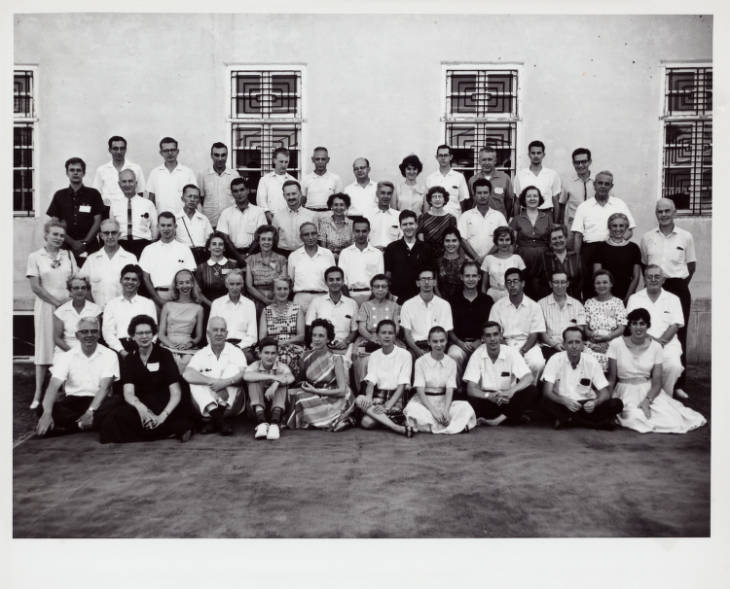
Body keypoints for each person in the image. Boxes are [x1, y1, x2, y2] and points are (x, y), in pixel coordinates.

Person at [98, 314, 195, 443]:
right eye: (140, 333)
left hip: (165, 402)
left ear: (153, 334)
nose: (144, 336)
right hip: (142, 402)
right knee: (112, 422)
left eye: (148, 332)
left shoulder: (164, 354)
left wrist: (162, 416)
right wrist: (142, 410)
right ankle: (168, 431)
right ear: (133, 336)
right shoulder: (130, 360)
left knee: (180, 416)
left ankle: (164, 426)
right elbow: (128, 393)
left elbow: (176, 392)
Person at [607, 308, 705, 434]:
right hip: (625, 391)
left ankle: (649, 409)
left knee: (672, 420)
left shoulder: (656, 347)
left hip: (648, 390)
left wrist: (647, 401)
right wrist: (606, 401)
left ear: (648, 326)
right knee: (634, 418)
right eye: (634, 323)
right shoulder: (616, 344)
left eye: (642, 323)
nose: (638, 327)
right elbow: (611, 378)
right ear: (629, 326)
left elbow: (657, 383)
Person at [639, 198, 696, 399]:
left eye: (667, 211)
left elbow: (691, 266)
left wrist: (677, 287)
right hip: (653, 286)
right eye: (660, 211)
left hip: (677, 287)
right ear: (656, 214)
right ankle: (648, 379)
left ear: (674, 213)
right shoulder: (647, 238)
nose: (663, 215)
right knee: (652, 329)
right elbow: (645, 265)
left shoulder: (686, 237)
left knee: (678, 334)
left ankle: (678, 382)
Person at [35, 317, 118, 437]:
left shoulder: (110, 355)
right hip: (73, 403)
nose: (89, 335)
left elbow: (104, 388)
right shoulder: (66, 357)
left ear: (99, 334)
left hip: (99, 402)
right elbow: (53, 387)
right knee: (42, 409)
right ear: (77, 335)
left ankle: (71, 426)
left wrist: (90, 411)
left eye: (93, 331)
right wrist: (47, 414)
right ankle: (84, 425)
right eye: (84, 332)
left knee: (117, 403)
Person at [26, 218, 78, 409]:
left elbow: (75, 279)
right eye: (55, 234)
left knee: (66, 345)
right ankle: (38, 394)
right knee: (44, 347)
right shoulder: (35, 257)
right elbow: (36, 287)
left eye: (62, 235)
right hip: (46, 307)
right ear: (46, 235)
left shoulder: (68, 255)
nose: (58, 238)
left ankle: (66, 390)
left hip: (67, 307)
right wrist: (56, 303)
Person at [541, 326, 624, 429]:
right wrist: (564, 401)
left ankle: (571, 420)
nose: (574, 346)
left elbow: (605, 393)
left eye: (577, 342)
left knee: (616, 404)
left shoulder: (591, 361)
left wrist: (595, 402)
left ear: (583, 345)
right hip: (564, 404)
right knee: (545, 402)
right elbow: (547, 392)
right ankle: (593, 424)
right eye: (570, 342)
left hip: (585, 405)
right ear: (564, 344)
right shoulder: (555, 359)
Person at [571, 171, 636, 300]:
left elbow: (630, 230)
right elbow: (578, 236)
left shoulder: (619, 204)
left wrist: (617, 243)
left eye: (607, 184)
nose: (603, 186)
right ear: (594, 185)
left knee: (615, 288)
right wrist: (577, 261)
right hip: (590, 251)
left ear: (611, 186)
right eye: (600, 183)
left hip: (613, 250)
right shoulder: (584, 207)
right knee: (591, 290)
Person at [463, 321, 539, 426]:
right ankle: (511, 417)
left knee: (532, 390)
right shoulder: (477, 355)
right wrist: (488, 395)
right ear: (483, 338)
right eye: (488, 335)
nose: (492, 339)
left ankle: (497, 421)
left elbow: (528, 377)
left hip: (508, 399)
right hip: (487, 399)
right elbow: (471, 389)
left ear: (501, 336)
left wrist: (511, 391)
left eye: (495, 334)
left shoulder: (511, 352)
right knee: (470, 401)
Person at [626, 265, 686, 398]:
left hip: (668, 344)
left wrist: (661, 343)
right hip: (641, 343)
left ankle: (666, 397)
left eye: (657, 276)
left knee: (673, 366)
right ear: (644, 280)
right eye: (649, 277)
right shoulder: (634, 298)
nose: (653, 279)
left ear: (663, 279)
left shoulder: (673, 299)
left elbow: (676, 324)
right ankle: (645, 396)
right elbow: (632, 325)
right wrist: (653, 342)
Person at [404, 326, 476, 434]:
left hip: (444, 402)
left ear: (446, 341)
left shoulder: (451, 363)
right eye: (435, 341)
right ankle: (453, 427)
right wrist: (433, 412)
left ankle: (434, 425)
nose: (439, 344)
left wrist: (446, 411)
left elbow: (450, 389)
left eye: (442, 341)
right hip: (425, 403)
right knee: (412, 410)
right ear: (429, 342)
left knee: (465, 407)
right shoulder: (420, 362)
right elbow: (420, 390)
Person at [286, 318, 355, 431]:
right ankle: (334, 420)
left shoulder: (336, 358)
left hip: (334, 396)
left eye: (321, 336)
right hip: (315, 394)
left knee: (300, 399)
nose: (317, 339)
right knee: (292, 395)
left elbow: (342, 390)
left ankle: (334, 419)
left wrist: (315, 391)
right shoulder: (305, 356)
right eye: (314, 335)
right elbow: (300, 381)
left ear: (328, 338)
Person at [184, 316, 248, 436]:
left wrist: (225, 383)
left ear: (226, 333)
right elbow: (187, 374)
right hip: (207, 406)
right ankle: (219, 420)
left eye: (222, 330)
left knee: (233, 369)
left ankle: (216, 419)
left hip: (231, 405)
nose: (219, 333)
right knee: (194, 380)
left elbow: (244, 375)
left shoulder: (235, 351)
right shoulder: (201, 353)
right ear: (208, 333)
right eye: (215, 330)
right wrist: (214, 382)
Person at [356, 320, 414, 437]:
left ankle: (387, 420)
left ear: (395, 335)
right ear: (378, 336)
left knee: (368, 421)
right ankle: (396, 427)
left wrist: (387, 407)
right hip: (378, 397)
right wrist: (368, 397)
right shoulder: (374, 355)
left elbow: (402, 385)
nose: (387, 336)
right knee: (360, 401)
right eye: (383, 333)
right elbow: (371, 381)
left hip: (395, 398)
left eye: (390, 333)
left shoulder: (405, 355)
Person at [488, 267, 546, 384]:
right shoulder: (497, 306)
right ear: (505, 285)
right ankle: (508, 391)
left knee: (537, 363)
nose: (512, 285)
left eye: (515, 281)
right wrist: (510, 351)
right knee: (503, 364)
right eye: (509, 282)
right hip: (505, 344)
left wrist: (523, 351)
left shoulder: (534, 306)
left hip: (528, 345)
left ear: (523, 283)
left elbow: (534, 334)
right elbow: (495, 333)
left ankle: (530, 389)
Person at [46, 157, 104, 265]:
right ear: (67, 173)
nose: (75, 173)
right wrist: (72, 242)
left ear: (84, 173)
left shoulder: (93, 194)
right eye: (72, 170)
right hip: (64, 246)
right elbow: (55, 223)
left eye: (79, 170)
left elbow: (98, 221)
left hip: (90, 246)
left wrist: (85, 242)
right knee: (66, 276)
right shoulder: (59, 195)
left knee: (91, 278)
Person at [447, 260, 494, 381]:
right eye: (467, 276)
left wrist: (480, 340)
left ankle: (481, 391)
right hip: (458, 343)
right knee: (454, 355)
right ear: (461, 277)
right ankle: (456, 391)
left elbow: (491, 325)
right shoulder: (452, 300)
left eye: (474, 276)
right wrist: (459, 343)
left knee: (487, 355)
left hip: (482, 342)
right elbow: (448, 327)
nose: (470, 279)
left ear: (479, 277)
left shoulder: (487, 300)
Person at [352, 274, 402, 386]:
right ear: (372, 288)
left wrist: (386, 338)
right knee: (363, 360)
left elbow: (396, 327)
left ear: (388, 288)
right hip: (368, 338)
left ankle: (389, 390)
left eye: (384, 286)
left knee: (396, 358)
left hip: (390, 339)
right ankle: (363, 391)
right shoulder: (365, 305)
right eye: (377, 286)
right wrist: (372, 338)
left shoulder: (394, 306)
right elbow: (361, 327)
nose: (380, 289)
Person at [139, 212, 196, 308]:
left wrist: (182, 298)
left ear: (175, 226)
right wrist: (157, 299)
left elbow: (191, 276)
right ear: (158, 226)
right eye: (163, 225)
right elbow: (145, 278)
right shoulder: (149, 249)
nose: (166, 229)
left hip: (180, 297)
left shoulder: (184, 249)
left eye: (169, 225)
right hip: (157, 296)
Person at [78, 218, 137, 310]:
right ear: (101, 235)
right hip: (97, 312)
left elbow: (135, 287)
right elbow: (82, 285)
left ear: (119, 235)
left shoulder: (130, 258)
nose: (110, 236)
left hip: (123, 311)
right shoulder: (92, 260)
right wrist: (93, 308)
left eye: (113, 232)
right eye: (106, 233)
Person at [244, 337, 295, 441]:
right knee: (254, 381)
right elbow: (246, 376)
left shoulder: (282, 367)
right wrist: (273, 377)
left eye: (273, 353)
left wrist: (276, 383)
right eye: (266, 353)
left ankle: (274, 424)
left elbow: (291, 378)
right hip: (256, 410)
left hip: (278, 409)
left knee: (282, 382)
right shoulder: (255, 365)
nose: (269, 356)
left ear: (277, 355)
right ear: (260, 354)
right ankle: (261, 423)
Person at [306, 266, 358, 367]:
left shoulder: (352, 304)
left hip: (344, 348)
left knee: (344, 367)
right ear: (326, 282)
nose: (335, 282)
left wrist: (346, 341)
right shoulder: (316, 302)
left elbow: (354, 330)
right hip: (321, 347)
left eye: (338, 279)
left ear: (343, 281)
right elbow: (309, 327)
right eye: (331, 280)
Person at [102, 264, 157, 358]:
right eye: (127, 278)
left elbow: (153, 331)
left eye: (134, 280)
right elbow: (108, 333)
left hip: (143, 348)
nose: (130, 282)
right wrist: (121, 351)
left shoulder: (148, 304)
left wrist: (144, 350)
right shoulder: (111, 304)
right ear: (121, 280)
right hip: (118, 349)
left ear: (139, 283)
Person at [400, 267, 454, 358]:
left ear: (434, 282)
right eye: (423, 279)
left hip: (438, 345)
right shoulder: (408, 305)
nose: (426, 282)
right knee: (407, 356)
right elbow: (407, 334)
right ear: (418, 283)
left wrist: (436, 351)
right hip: (416, 347)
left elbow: (445, 333)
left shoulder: (444, 305)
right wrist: (418, 351)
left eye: (429, 279)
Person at [158, 269, 205, 371]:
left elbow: (199, 336)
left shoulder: (199, 308)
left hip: (188, 348)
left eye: (188, 282)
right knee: (170, 359)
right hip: (168, 346)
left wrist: (189, 344)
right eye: (181, 283)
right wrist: (172, 346)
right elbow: (161, 334)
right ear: (176, 286)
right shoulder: (167, 306)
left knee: (187, 361)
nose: (185, 286)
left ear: (192, 284)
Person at [510, 186, 551, 300]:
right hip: (523, 258)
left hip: (543, 259)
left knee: (542, 290)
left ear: (539, 199)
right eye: (529, 196)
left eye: (535, 196)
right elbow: (512, 244)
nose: (532, 199)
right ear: (524, 199)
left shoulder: (547, 218)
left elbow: (552, 241)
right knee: (525, 289)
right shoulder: (517, 219)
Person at [259, 277, 305, 379]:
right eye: (279, 289)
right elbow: (262, 338)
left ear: (289, 290)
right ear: (274, 290)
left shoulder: (297, 309)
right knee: (271, 356)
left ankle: (282, 385)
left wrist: (283, 343)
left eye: (285, 289)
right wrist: (274, 345)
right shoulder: (266, 311)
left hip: (293, 346)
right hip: (270, 346)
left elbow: (301, 336)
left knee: (285, 357)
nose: (282, 292)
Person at [384, 210, 434, 304]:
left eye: (411, 223)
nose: (408, 227)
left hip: (420, 299)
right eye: (405, 224)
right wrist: (390, 295)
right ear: (401, 226)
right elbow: (388, 275)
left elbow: (430, 275)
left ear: (416, 225)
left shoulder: (426, 248)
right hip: (397, 299)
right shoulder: (392, 248)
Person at [591, 213, 641, 304]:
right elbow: (597, 275)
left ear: (626, 227)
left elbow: (636, 277)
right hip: (605, 296)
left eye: (621, 226)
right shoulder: (600, 247)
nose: (618, 229)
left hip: (626, 296)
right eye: (614, 226)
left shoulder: (634, 248)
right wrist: (607, 298)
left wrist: (627, 299)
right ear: (609, 227)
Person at [208, 269, 257, 361]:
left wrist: (238, 347)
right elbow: (210, 331)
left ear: (242, 285)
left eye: (238, 284)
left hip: (243, 346)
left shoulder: (249, 304)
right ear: (226, 285)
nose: (235, 287)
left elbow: (252, 335)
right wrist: (220, 346)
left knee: (246, 357)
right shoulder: (217, 303)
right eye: (231, 284)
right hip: (220, 344)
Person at [583, 269, 627, 371]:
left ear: (611, 284)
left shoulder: (618, 302)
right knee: (588, 360)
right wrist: (594, 339)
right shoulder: (589, 303)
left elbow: (622, 328)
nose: (601, 285)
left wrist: (607, 338)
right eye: (598, 283)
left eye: (605, 282)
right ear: (594, 285)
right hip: (593, 342)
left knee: (614, 356)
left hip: (613, 342)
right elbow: (586, 329)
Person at [216, 177, 268, 263]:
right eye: (235, 191)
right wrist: (238, 257)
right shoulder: (226, 213)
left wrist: (248, 255)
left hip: (254, 256)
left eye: (242, 190)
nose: (239, 193)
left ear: (247, 190)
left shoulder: (258, 212)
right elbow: (225, 239)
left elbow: (260, 237)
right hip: (231, 257)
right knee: (231, 276)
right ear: (232, 193)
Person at [457, 177, 508, 264]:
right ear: (474, 195)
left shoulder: (499, 216)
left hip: (494, 261)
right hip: (471, 262)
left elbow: (503, 239)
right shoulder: (465, 216)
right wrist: (476, 258)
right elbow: (462, 239)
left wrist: (486, 258)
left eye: (485, 193)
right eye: (479, 193)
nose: (482, 196)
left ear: (490, 194)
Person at [287, 222, 335, 312]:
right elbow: (290, 282)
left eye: (313, 233)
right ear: (301, 237)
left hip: (323, 298)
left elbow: (333, 278)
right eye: (306, 235)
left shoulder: (327, 254)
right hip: (300, 299)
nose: (310, 237)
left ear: (318, 235)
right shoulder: (294, 256)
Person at [110, 169, 158, 259]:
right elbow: (113, 228)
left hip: (143, 244)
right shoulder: (114, 205)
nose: (127, 184)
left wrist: (152, 245)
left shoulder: (148, 204)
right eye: (124, 181)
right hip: (121, 245)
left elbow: (154, 227)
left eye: (130, 181)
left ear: (136, 183)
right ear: (119, 184)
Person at [538, 271, 586, 361]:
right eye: (556, 282)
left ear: (567, 284)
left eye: (563, 282)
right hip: (550, 346)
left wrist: (569, 344)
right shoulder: (540, 304)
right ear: (550, 284)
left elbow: (580, 329)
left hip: (573, 345)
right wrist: (555, 344)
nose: (559, 286)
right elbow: (542, 333)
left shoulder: (577, 305)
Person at [53, 275, 102, 361]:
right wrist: (73, 353)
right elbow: (57, 339)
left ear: (87, 290)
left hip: (89, 350)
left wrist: (84, 353)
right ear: (70, 291)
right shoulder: (61, 311)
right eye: (76, 288)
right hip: (66, 351)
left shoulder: (95, 309)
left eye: (83, 288)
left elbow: (97, 335)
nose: (80, 291)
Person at [92, 135, 146, 212]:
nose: (119, 152)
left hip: (130, 209)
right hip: (107, 209)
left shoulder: (136, 168)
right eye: (115, 148)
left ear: (126, 150)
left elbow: (141, 192)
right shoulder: (101, 170)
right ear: (110, 150)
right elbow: (96, 193)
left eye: (122, 148)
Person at [337, 216, 384, 305]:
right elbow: (342, 280)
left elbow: (380, 279)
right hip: (350, 295)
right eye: (357, 231)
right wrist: (349, 301)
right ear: (353, 231)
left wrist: (372, 301)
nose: (361, 234)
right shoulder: (345, 253)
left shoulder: (377, 254)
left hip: (372, 296)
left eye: (364, 231)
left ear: (369, 231)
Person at [146, 137, 198, 215]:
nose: (170, 153)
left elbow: (194, 198)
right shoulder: (155, 173)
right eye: (166, 151)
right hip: (162, 221)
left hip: (183, 220)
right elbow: (151, 200)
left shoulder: (188, 172)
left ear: (177, 151)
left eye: (172, 150)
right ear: (161, 153)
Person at [244, 225, 288, 317]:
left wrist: (275, 300)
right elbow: (249, 286)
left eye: (269, 239)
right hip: (255, 301)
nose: (266, 242)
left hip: (277, 300)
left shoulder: (281, 259)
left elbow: (284, 283)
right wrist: (265, 300)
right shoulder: (251, 259)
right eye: (263, 239)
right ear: (258, 241)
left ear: (273, 241)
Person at [513, 140, 561, 220]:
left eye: (539, 153)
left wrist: (555, 224)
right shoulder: (520, 175)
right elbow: (517, 203)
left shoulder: (552, 174)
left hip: (546, 214)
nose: (536, 156)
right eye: (533, 153)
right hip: (526, 214)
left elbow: (556, 201)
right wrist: (516, 222)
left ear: (543, 155)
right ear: (529, 155)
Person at [198, 142, 240, 228]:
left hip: (230, 223)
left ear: (227, 156)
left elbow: (238, 198)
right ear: (211, 156)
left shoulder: (234, 175)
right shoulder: (203, 175)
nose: (220, 158)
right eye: (216, 155)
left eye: (223, 155)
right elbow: (200, 199)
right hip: (209, 223)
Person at [467, 146, 515, 220]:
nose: (487, 163)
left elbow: (509, 202)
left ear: (495, 161)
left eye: (490, 160)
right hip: (477, 222)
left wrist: (504, 218)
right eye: (484, 160)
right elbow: (469, 204)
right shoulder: (472, 180)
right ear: (479, 161)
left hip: (498, 223)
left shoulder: (505, 178)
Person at [271, 180, 317, 255]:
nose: (291, 197)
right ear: (284, 196)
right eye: (288, 194)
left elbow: (316, 239)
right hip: (282, 255)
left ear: (300, 194)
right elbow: (273, 239)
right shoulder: (277, 216)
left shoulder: (312, 216)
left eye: (294, 194)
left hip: (304, 254)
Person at [480, 226, 525, 301]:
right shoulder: (488, 259)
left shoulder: (517, 259)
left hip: (512, 295)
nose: (504, 243)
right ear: (496, 241)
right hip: (492, 295)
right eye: (501, 240)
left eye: (507, 240)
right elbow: (484, 285)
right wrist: (484, 301)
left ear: (511, 241)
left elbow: (522, 284)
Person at [195, 231, 239, 307]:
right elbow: (198, 292)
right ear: (209, 247)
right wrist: (212, 305)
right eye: (214, 244)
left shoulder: (232, 266)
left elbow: (238, 289)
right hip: (208, 307)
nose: (217, 247)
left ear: (224, 248)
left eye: (220, 244)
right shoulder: (201, 268)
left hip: (229, 306)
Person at [424, 144, 468, 219]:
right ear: (436, 157)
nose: (443, 158)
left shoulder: (459, 177)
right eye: (440, 155)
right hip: (435, 221)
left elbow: (463, 202)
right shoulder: (430, 178)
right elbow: (427, 204)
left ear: (451, 157)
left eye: (446, 155)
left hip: (454, 221)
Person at [256, 147, 297, 223]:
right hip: (269, 220)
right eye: (281, 161)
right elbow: (261, 202)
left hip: (289, 219)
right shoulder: (265, 180)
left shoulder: (293, 181)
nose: (284, 165)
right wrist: (271, 219)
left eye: (286, 162)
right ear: (274, 160)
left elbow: (296, 202)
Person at [175, 184, 213, 264]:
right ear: (182, 198)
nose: (192, 199)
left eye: (195, 197)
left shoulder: (204, 219)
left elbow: (210, 240)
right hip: (181, 257)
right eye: (189, 196)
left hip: (201, 258)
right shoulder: (175, 219)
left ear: (199, 200)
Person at [542, 224, 582, 301]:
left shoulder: (576, 257)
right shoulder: (544, 258)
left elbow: (581, 281)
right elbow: (541, 283)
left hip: (573, 300)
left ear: (566, 238)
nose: (558, 241)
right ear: (550, 242)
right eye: (554, 239)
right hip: (550, 302)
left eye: (560, 237)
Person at [417, 186, 457, 258]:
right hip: (426, 255)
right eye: (434, 197)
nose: (437, 199)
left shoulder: (451, 219)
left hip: (446, 255)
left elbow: (453, 241)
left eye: (440, 196)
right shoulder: (422, 218)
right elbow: (421, 241)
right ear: (430, 200)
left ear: (445, 199)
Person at [301, 146, 343, 216]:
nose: (320, 162)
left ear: (328, 160)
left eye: (323, 159)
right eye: (317, 159)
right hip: (310, 214)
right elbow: (302, 201)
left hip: (329, 214)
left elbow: (339, 202)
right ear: (313, 160)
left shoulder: (335, 179)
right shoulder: (305, 179)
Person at [559, 147, 594, 228]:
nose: (580, 165)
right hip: (574, 227)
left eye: (584, 162)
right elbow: (562, 205)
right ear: (573, 163)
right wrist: (561, 226)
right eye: (577, 162)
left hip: (593, 226)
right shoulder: (567, 182)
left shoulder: (598, 181)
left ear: (590, 162)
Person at [435, 227, 469, 302]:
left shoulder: (465, 263)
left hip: (462, 303)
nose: (450, 244)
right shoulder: (437, 261)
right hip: (441, 303)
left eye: (454, 241)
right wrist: (442, 303)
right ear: (443, 242)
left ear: (459, 242)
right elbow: (435, 286)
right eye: (447, 241)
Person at [366, 181, 403, 250]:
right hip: (372, 254)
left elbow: (402, 238)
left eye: (389, 193)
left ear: (392, 195)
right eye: (382, 193)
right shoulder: (368, 215)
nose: (386, 196)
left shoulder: (398, 215)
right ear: (377, 194)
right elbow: (363, 238)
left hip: (392, 255)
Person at [317, 192, 354, 260]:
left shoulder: (352, 224)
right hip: (329, 259)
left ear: (346, 206)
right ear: (331, 206)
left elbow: (353, 248)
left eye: (342, 205)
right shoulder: (324, 223)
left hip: (348, 259)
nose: (338, 207)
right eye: (336, 205)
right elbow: (323, 249)